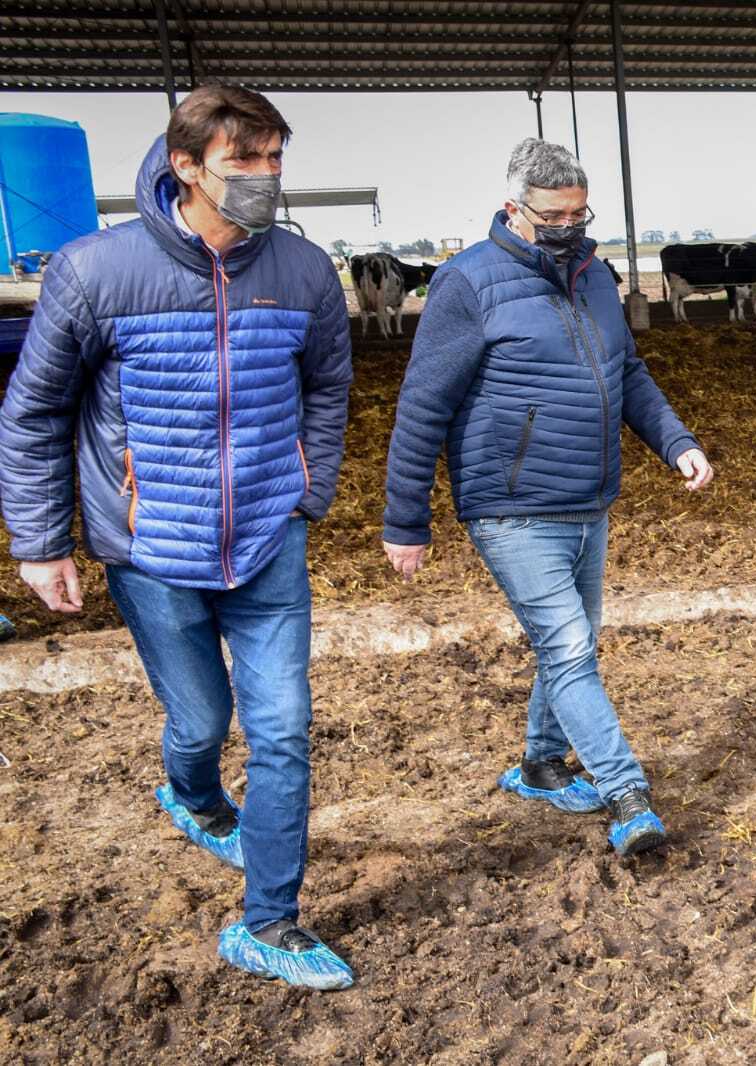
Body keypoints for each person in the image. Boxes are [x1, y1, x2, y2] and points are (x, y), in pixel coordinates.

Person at [0, 85, 355, 987]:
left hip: (269, 537)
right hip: (153, 546)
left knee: (284, 730)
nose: (268, 178)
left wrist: (309, 489)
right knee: (201, 718)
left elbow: (327, 387)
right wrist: (42, 544)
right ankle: (195, 794)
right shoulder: (94, 271)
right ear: (187, 165)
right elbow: (35, 412)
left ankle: (268, 923)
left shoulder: (305, 271)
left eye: (277, 159)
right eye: (247, 161)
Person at [382, 139, 712, 857]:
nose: (571, 225)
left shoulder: (594, 276)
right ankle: (627, 794)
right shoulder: (467, 283)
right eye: (555, 215)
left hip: (588, 497)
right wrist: (405, 518)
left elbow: (628, 369)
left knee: (570, 647)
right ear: (515, 210)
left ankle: (539, 764)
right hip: (510, 503)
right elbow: (421, 406)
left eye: (580, 211)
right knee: (568, 648)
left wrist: (675, 440)